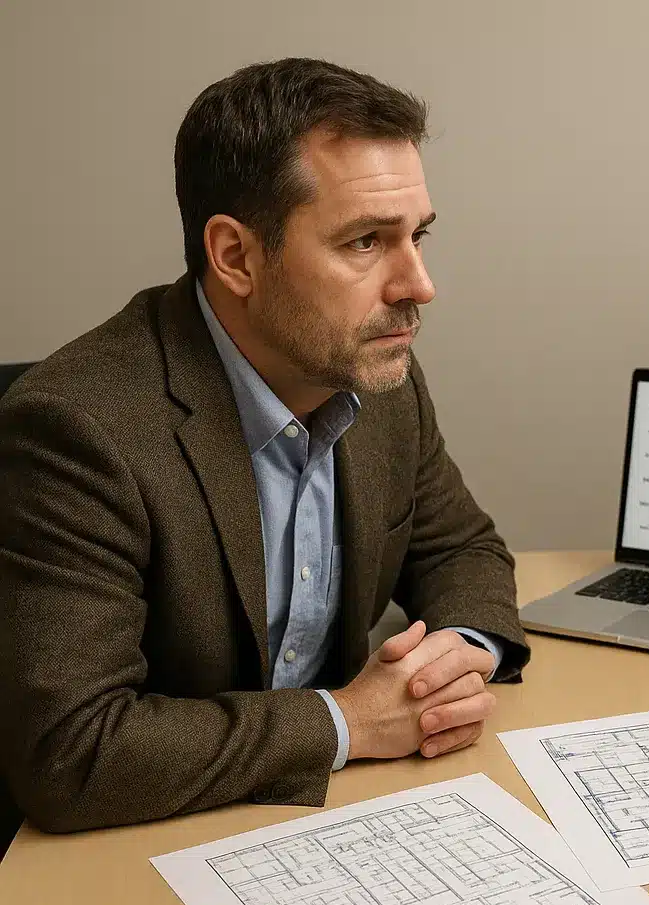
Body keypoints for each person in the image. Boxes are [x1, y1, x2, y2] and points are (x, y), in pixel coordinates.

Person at [0, 58, 528, 833]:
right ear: (236, 256)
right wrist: (347, 722)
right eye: (365, 243)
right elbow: (72, 751)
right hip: (146, 842)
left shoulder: (374, 377)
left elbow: (462, 548)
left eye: (417, 236)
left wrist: (459, 651)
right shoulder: (77, 431)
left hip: (333, 824)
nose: (418, 284)